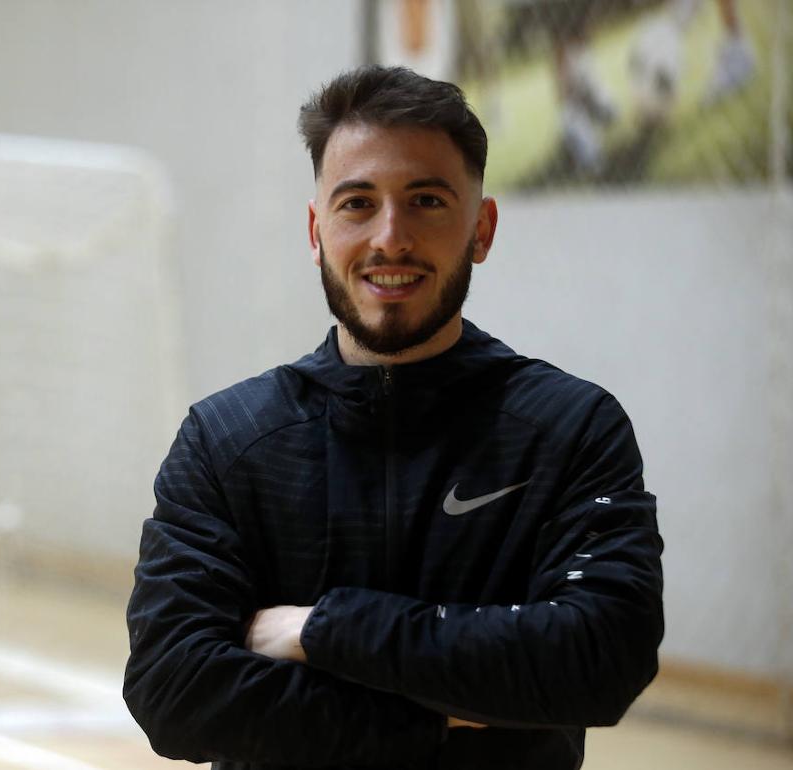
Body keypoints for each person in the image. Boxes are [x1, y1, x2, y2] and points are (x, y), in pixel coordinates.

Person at [123, 65, 663, 769]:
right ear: (316, 232)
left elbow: (599, 659)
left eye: (427, 201)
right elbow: (176, 693)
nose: (391, 238)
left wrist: (323, 629)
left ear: (482, 228)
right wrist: (444, 718)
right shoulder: (228, 440)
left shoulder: (569, 430)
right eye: (357, 203)